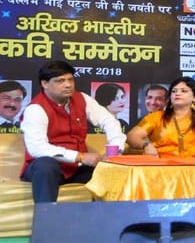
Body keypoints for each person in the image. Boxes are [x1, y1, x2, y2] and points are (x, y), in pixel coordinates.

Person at [20, 61, 126, 203]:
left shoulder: (82, 98)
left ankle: (108, 216)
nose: (68, 85)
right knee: (46, 166)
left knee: (110, 170)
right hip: (46, 169)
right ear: (45, 84)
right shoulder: (35, 109)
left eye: (70, 80)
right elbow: (37, 148)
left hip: (76, 169)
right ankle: (46, 216)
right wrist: (80, 157)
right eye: (60, 81)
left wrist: (115, 150)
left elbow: (109, 121)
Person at [127, 77, 195, 157]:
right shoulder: (156, 117)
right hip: (158, 167)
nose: (177, 93)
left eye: (183, 91)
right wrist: (146, 145)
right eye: (174, 91)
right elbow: (132, 136)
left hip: (194, 170)